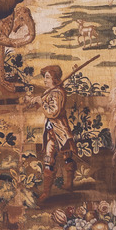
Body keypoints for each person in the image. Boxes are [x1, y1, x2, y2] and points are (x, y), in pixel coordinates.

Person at [39, 64, 76, 198]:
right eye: (45, 77)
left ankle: (69, 184)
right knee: (48, 160)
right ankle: (46, 192)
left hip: (60, 132)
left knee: (67, 157)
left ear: (54, 79)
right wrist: (36, 100)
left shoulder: (58, 93)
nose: (45, 80)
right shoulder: (50, 92)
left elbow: (53, 112)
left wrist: (41, 102)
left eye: (47, 77)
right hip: (51, 133)